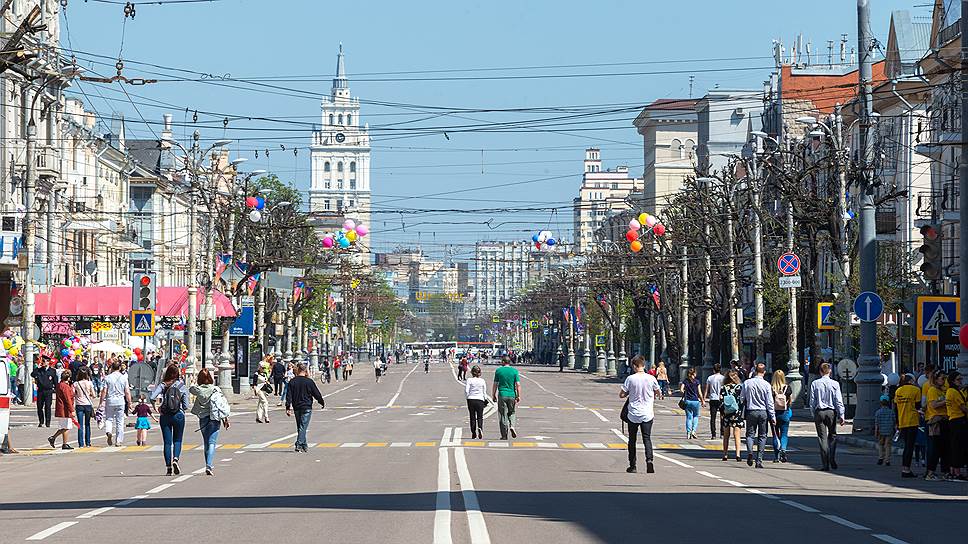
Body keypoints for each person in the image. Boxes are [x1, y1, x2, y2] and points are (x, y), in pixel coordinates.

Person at [621, 355, 662, 474]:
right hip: (647, 413)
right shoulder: (651, 378)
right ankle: (649, 461)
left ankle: (632, 465)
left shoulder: (630, 379)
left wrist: (630, 393)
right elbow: (658, 392)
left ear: (634, 366)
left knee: (632, 440)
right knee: (647, 438)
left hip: (633, 414)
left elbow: (622, 394)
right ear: (644, 365)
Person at [150, 364, 189, 476]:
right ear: (178, 374)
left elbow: (152, 397)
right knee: (178, 440)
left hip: (165, 415)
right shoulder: (182, 385)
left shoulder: (163, 385)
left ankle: (168, 468)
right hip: (179, 415)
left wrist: (155, 407)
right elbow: (186, 405)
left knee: (167, 442)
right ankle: (175, 459)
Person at [190, 368, 231, 475]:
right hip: (215, 419)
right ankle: (209, 465)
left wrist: (194, 382)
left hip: (203, 419)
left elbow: (191, 389)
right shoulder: (216, 389)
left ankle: (207, 464)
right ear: (210, 378)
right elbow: (220, 405)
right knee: (212, 443)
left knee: (206, 443)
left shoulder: (198, 390)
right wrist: (225, 419)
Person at [808, 362, 845, 471]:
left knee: (822, 438)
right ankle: (832, 457)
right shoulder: (835, 384)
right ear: (830, 371)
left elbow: (812, 401)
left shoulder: (815, 383)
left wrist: (812, 413)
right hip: (831, 412)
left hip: (819, 412)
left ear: (820, 371)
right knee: (833, 435)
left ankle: (825, 463)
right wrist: (842, 415)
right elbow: (838, 400)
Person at [741, 363, 776, 468]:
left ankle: (750, 452)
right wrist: (773, 416)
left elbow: (742, 398)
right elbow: (770, 403)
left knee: (750, 434)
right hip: (763, 412)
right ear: (764, 372)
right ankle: (759, 460)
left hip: (751, 411)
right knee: (762, 435)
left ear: (755, 371)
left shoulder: (747, 383)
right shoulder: (766, 385)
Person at [285, 363, 325, 452]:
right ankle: (299, 444)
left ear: (298, 370)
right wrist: (321, 402)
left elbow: (288, 396)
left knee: (301, 426)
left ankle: (304, 445)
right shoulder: (309, 381)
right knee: (303, 426)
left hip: (296, 407)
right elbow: (316, 393)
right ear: (305, 370)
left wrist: (288, 407)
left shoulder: (292, 381)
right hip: (306, 406)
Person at [894, 374, 922, 478]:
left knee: (906, 446)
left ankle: (904, 468)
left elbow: (896, 409)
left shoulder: (898, 391)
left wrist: (897, 423)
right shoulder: (916, 390)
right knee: (910, 446)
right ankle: (906, 469)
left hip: (902, 421)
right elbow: (918, 406)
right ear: (911, 381)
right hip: (912, 420)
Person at [98, 360, 131, 446]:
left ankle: (108, 431)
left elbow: (104, 391)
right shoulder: (124, 378)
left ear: (112, 367)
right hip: (120, 401)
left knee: (109, 418)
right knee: (120, 421)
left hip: (110, 400)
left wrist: (101, 402)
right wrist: (129, 402)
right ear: (120, 368)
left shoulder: (108, 378)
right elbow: (127, 392)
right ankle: (118, 441)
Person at [924, 370, 949, 481]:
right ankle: (930, 473)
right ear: (936, 379)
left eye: (945, 378)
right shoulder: (933, 390)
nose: (944, 381)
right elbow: (934, 405)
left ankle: (945, 472)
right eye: (942, 378)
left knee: (945, 448)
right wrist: (945, 401)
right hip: (936, 421)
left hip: (945, 420)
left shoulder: (944, 390)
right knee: (935, 448)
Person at [492, 356, 521, 440]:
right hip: (512, 394)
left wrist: (493, 394)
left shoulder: (499, 371)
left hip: (502, 394)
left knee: (502, 414)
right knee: (512, 412)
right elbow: (518, 384)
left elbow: (495, 384)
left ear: (504, 362)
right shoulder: (514, 371)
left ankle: (504, 435)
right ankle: (512, 425)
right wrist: (518, 395)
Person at [719, 369, 745, 461]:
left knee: (726, 434)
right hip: (737, 413)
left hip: (727, 413)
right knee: (737, 434)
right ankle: (738, 454)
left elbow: (721, 401)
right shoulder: (739, 387)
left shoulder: (723, 388)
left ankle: (725, 454)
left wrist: (722, 413)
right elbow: (742, 401)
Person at [945, 371, 966, 481]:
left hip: (953, 420)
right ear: (953, 381)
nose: (960, 381)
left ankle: (953, 470)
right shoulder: (954, 392)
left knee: (954, 446)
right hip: (958, 420)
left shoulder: (949, 391)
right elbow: (963, 407)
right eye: (958, 379)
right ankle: (957, 472)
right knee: (958, 447)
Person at [47, 369, 75, 450]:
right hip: (65, 409)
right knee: (66, 427)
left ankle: (54, 438)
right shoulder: (65, 386)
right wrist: (72, 410)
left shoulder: (60, 385)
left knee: (64, 426)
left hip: (61, 408)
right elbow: (67, 399)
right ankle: (64, 443)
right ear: (68, 378)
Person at [770, 370, 792, 463]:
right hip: (784, 413)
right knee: (784, 434)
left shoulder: (771, 388)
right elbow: (790, 401)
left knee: (775, 435)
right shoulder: (788, 388)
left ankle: (776, 456)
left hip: (774, 413)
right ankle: (783, 449)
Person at [72, 366, 95, 448]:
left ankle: (81, 444)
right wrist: (89, 394)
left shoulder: (75, 384)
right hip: (87, 404)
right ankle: (88, 443)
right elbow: (94, 395)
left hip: (79, 405)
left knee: (80, 425)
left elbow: (73, 394)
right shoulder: (89, 383)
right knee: (87, 424)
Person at [679, 367, 704, 439]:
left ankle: (688, 433)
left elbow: (681, 390)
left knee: (689, 417)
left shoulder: (685, 381)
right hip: (695, 401)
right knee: (695, 416)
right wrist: (702, 401)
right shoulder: (697, 382)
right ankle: (694, 431)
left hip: (688, 401)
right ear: (694, 374)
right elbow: (699, 392)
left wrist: (685, 392)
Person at [32, 358, 57, 427]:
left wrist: (57, 390)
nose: (43, 362)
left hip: (48, 391)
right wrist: (38, 367)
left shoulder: (52, 371)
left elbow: (55, 381)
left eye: (44, 361)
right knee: (39, 407)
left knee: (48, 407)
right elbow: (33, 374)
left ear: (48, 362)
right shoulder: (39, 370)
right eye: (42, 361)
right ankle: (41, 421)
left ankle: (47, 422)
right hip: (40, 391)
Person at [465, 365, 487, 439]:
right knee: (480, 416)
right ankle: (480, 428)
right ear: (479, 373)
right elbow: (484, 392)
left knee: (472, 416)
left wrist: (467, 397)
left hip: (471, 399)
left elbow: (466, 390)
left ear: (472, 373)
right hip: (480, 399)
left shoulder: (469, 380)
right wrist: (485, 399)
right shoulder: (482, 381)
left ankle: (473, 432)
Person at [874, 394, 896, 466]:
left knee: (880, 445)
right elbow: (894, 421)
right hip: (889, 431)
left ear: (880, 402)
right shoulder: (891, 412)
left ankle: (880, 458)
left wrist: (876, 432)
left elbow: (877, 424)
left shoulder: (878, 412)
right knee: (888, 445)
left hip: (881, 431)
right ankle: (887, 460)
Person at [705, 363, 724, 440]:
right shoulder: (723, 378)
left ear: (713, 370)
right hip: (721, 399)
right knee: (722, 416)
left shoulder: (710, 378)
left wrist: (703, 398)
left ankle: (713, 434)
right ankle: (722, 433)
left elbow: (707, 389)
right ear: (720, 370)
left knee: (713, 417)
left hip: (712, 399)